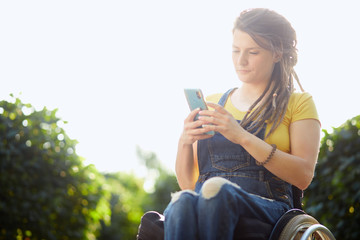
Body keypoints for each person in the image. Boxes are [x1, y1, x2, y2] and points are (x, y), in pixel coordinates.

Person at [163, 8, 321, 240]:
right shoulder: (213, 103)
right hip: (209, 198)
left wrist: (241, 136)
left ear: (277, 53)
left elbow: (303, 176)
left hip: (270, 206)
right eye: (236, 50)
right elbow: (189, 184)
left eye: (253, 52)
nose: (241, 60)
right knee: (183, 201)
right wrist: (185, 142)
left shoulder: (299, 103)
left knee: (218, 190)